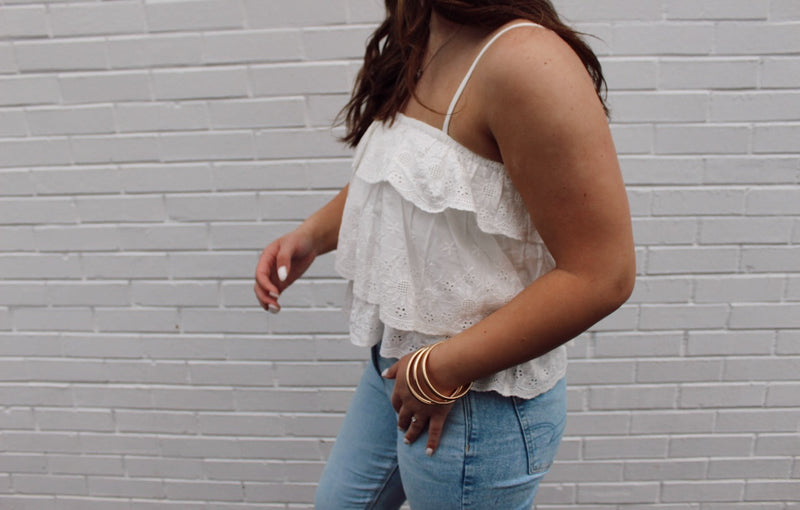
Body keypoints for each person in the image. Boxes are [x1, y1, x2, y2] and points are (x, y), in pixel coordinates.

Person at [254, 0, 635, 508]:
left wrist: (438, 370)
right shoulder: (423, 28)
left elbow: (603, 275)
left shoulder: (527, 61)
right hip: (396, 363)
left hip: (477, 400)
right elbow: (408, 176)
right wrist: (311, 237)